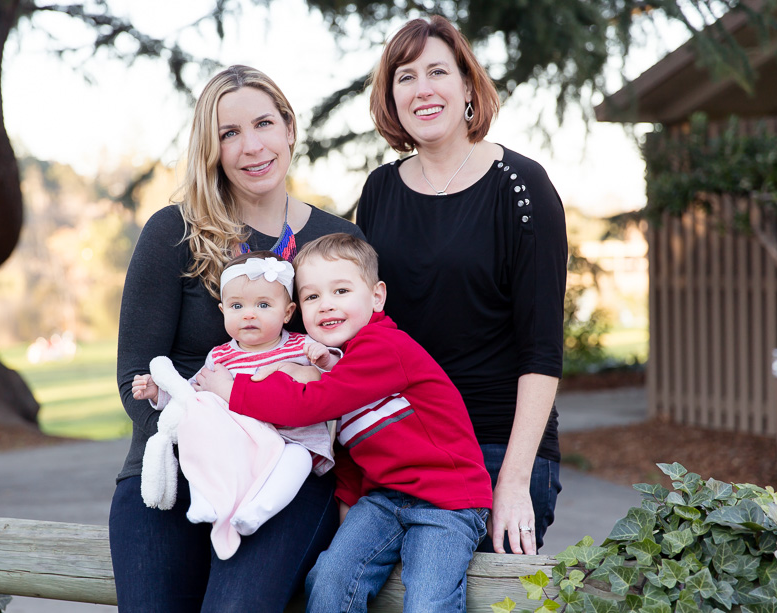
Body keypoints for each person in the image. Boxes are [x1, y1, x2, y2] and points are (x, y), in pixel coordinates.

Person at [110, 65, 363, 612]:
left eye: (264, 123)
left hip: (284, 473)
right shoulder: (173, 232)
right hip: (177, 467)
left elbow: (359, 371)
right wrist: (210, 444)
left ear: (289, 128)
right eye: (229, 133)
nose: (252, 146)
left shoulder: (338, 241)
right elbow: (136, 373)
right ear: (212, 149)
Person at [356, 16, 568, 555]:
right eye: (406, 77)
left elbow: (542, 349)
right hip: (404, 448)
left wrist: (513, 482)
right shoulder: (379, 190)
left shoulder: (521, 187)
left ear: (468, 86)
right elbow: (365, 326)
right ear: (392, 97)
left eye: (437, 72)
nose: (422, 89)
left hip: (496, 448)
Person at [195, 233, 493, 613]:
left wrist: (233, 390)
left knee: (427, 599)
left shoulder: (383, 347)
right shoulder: (336, 363)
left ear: (377, 297)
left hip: (446, 499)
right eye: (312, 296)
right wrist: (348, 506)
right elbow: (349, 450)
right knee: (329, 579)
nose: (326, 305)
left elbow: (312, 405)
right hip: (383, 500)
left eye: (341, 291)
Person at [132, 252, 339, 560]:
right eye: (237, 306)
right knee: (201, 435)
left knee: (299, 461)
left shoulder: (301, 345)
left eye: (263, 305)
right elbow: (190, 393)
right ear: (223, 310)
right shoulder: (220, 357)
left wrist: (324, 359)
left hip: (292, 439)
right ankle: (207, 501)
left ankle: (257, 511)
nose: (249, 315)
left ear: (287, 312)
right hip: (240, 445)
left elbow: (336, 380)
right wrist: (157, 393)